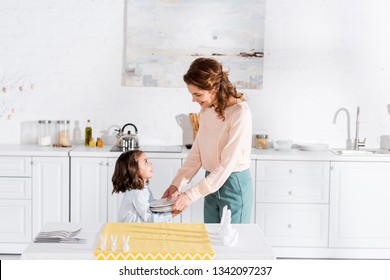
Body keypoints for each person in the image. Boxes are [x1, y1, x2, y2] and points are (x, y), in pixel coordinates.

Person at [162, 57, 253, 223]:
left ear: (215, 88)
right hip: (211, 182)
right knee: (211, 238)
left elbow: (227, 164)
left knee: (231, 241)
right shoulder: (206, 110)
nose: (193, 100)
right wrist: (177, 184)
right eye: (192, 94)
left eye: (198, 94)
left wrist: (191, 195)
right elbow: (198, 151)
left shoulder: (240, 114)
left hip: (233, 182)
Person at [112, 150, 180, 222]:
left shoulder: (143, 189)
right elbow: (150, 218)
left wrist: (169, 201)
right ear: (133, 169)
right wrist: (173, 213)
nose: (150, 163)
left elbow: (152, 206)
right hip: (129, 231)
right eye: (145, 161)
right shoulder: (136, 193)